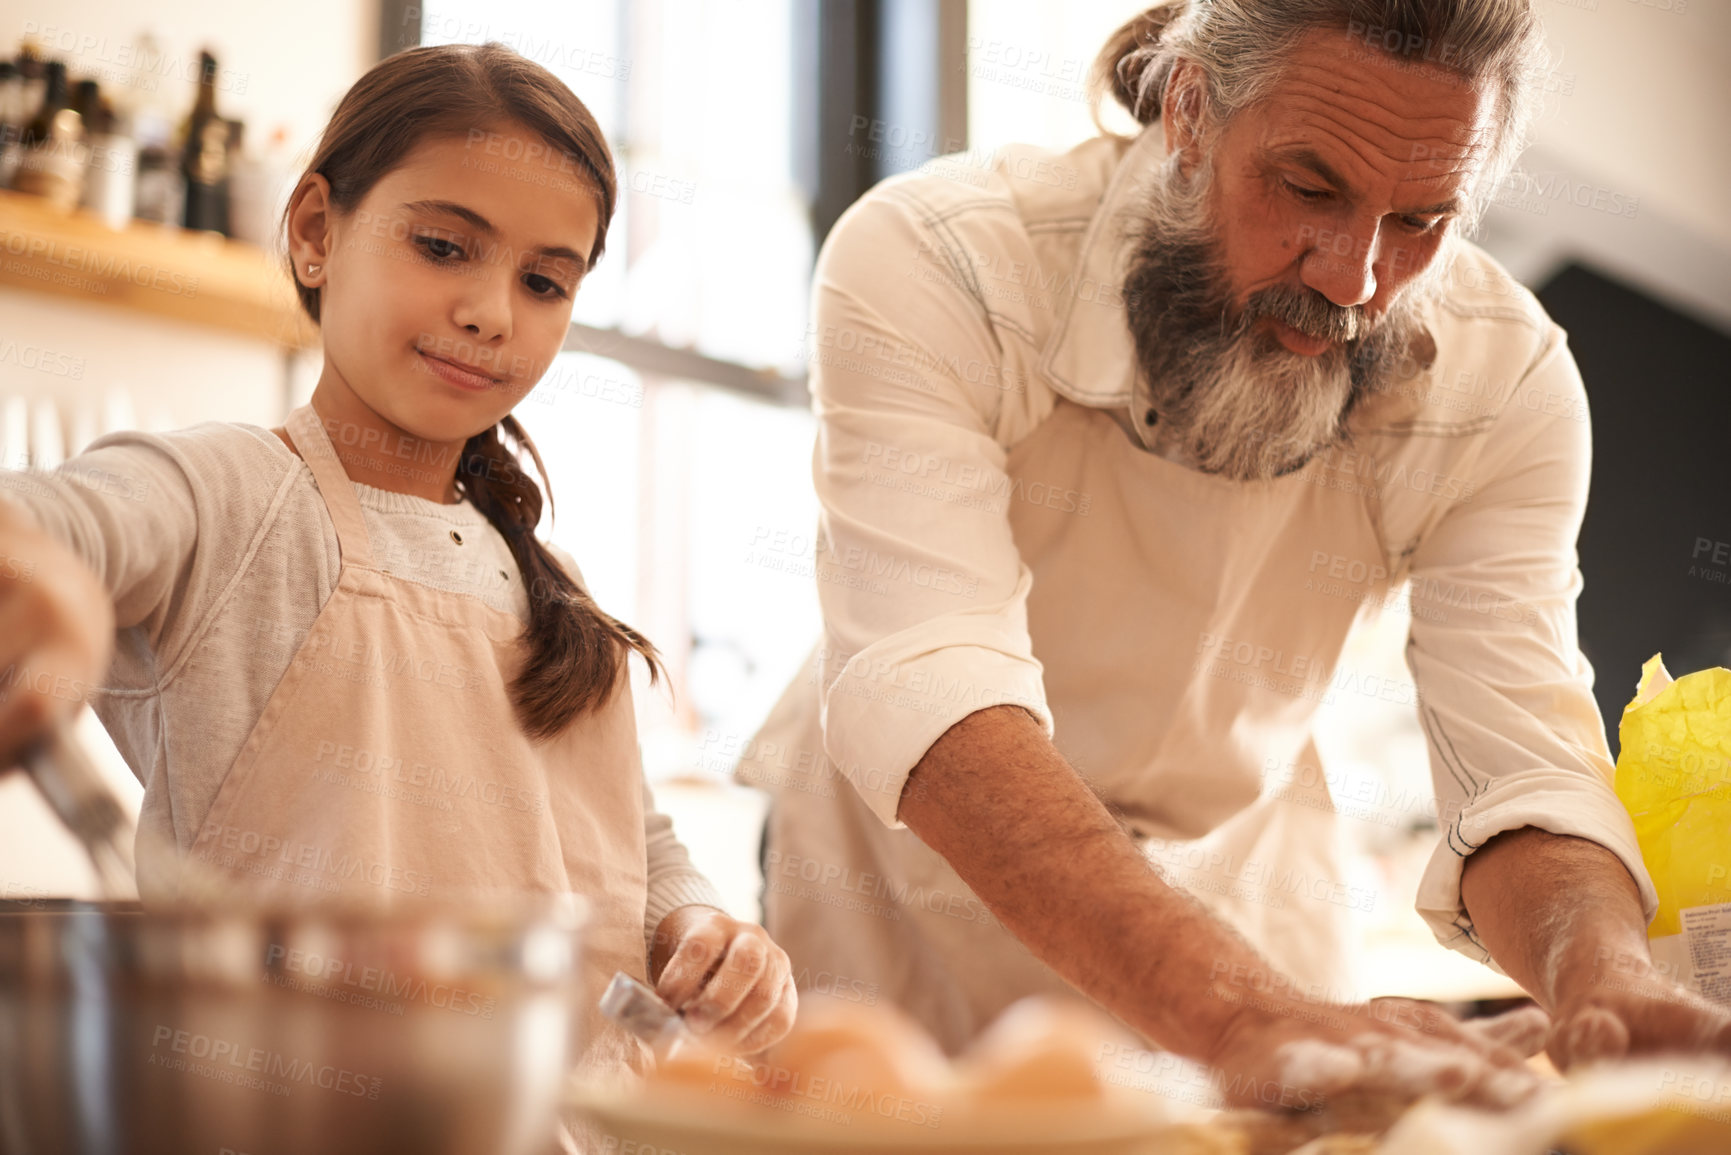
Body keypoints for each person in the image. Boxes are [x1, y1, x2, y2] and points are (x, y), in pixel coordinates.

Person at [741, 0, 1731, 1113]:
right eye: (1309, 189)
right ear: (1190, 112)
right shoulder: (948, 258)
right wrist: (1242, 1013)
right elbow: (932, 683)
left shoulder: (1504, 382)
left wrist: (1600, 972)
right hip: (901, 885)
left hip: (1241, 891)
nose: (1357, 278)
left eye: (1422, 220)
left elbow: (1518, 761)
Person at [0, 41, 796, 1109]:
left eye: (544, 281)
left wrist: (696, 927)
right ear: (318, 231)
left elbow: (622, 844)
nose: (491, 312)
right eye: (442, 246)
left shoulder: (549, 579)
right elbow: (48, 530)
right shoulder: (225, 494)